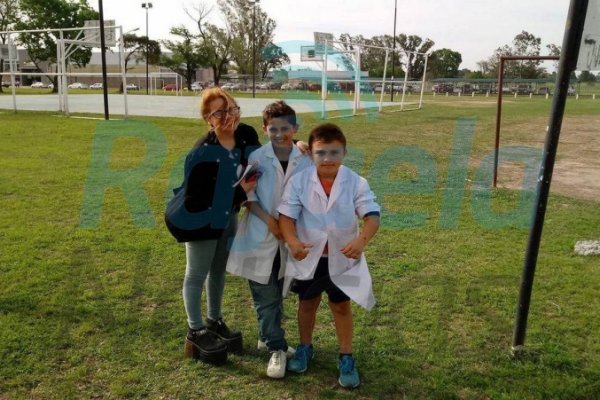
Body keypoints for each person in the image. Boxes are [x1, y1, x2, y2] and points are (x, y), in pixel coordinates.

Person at [278, 123, 381, 388]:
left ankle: (346, 355)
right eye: (321, 152)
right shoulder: (299, 182)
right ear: (311, 154)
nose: (328, 159)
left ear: (344, 153)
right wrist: (292, 242)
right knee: (307, 302)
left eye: (334, 152)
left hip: (342, 258)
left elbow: (371, 216)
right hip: (309, 258)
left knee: (340, 306)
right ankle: (304, 347)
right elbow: (286, 217)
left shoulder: (356, 182)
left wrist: (361, 240)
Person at [170, 87, 260, 365]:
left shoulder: (246, 133)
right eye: (219, 112)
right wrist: (241, 192)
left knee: (218, 269)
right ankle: (195, 329)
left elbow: (263, 159)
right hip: (199, 216)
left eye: (231, 108)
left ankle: (214, 320)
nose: (228, 116)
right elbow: (197, 198)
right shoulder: (200, 153)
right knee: (196, 274)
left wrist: (298, 146)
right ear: (208, 119)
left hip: (227, 214)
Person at [226, 101, 313, 378]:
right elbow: (247, 198)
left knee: (278, 293)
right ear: (265, 129)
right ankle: (276, 349)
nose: (279, 133)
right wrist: (272, 222)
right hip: (261, 235)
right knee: (265, 296)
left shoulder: (305, 158)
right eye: (273, 128)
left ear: (295, 128)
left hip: (291, 239)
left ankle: (267, 336)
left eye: (286, 128)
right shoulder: (256, 159)